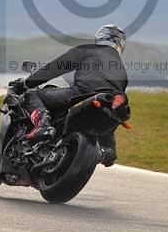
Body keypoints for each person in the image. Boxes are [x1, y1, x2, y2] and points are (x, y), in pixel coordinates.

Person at [9, 24, 128, 167]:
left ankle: (43, 126)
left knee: (33, 95)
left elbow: (53, 69)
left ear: (100, 37)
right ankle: (108, 151)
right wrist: (109, 146)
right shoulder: (121, 69)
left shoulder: (87, 50)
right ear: (121, 44)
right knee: (111, 113)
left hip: (82, 93)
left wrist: (26, 84)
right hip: (109, 102)